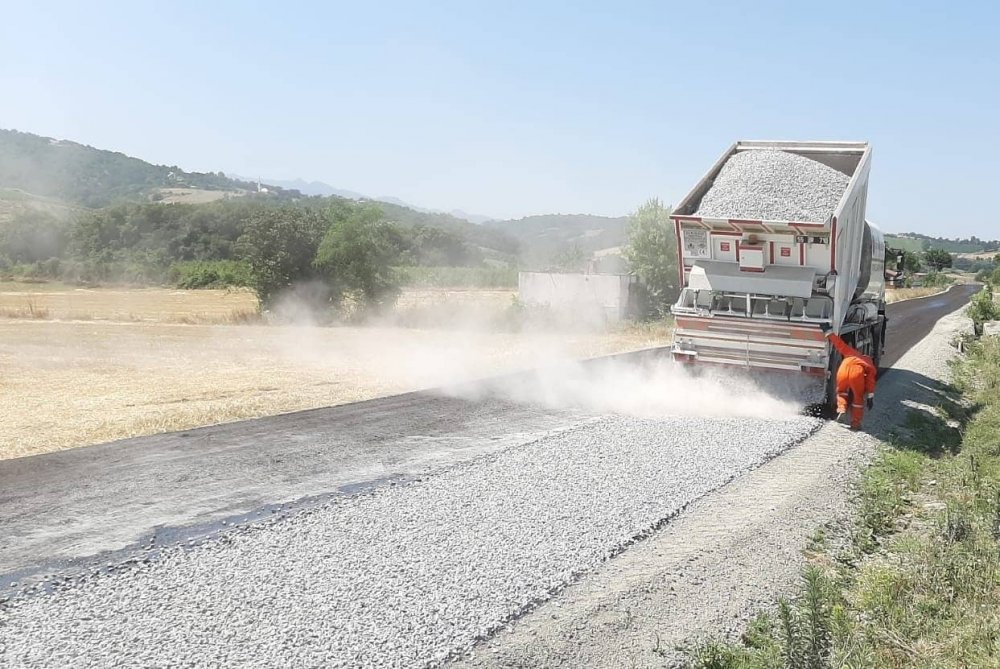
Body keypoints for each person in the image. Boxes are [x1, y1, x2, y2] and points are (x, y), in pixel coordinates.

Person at [820, 325, 877, 430]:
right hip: (857, 374)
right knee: (858, 399)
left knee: (841, 392)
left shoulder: (851, 353)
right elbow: (870, 380)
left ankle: (842, 409)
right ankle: (855, 424)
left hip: (843, 370)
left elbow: (839, 344)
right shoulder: (869, 363)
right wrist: (870, 396)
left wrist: (828, 332)